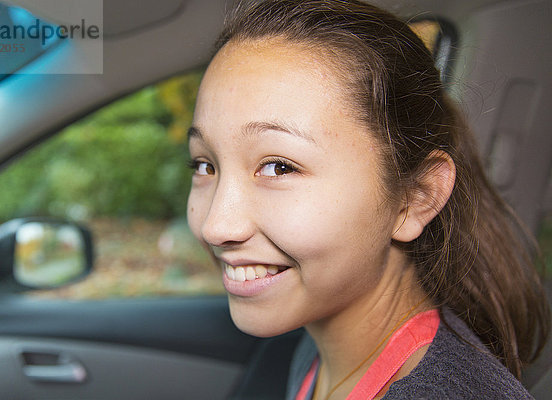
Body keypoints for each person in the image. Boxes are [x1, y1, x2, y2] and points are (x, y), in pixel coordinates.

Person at [186, 0, 550, 398]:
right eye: (205, 165)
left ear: (416, 197)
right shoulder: (317, 343)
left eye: (279, 167)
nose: (215, 226)